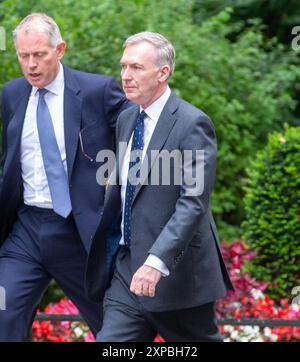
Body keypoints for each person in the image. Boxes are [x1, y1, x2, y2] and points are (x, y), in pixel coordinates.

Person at [86, 32, 234, 342]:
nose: (126, 76)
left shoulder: (192, 123)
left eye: (137, 67)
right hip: (127, 271)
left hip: (177, 277)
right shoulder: (126, 120)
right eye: (124, 66)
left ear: (163, 73)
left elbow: (193, 202)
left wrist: (157, 262)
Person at [0, 13, 130, 341]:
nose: (31, 64)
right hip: (26, 229)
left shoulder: (96, 91)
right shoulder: (12, 94)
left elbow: (135, 141)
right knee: (4, 310)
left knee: (116, 327)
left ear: (59, 50)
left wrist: (114, 180)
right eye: (23, 55)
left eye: (39, 54)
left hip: (80, 229)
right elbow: (11, 159)